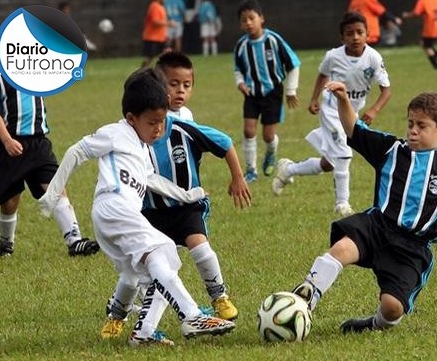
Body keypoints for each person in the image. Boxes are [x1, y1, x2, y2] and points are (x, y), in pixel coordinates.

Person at [291, 81, 437, 334]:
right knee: (340, 249)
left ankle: (374, 325)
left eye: (422, 126)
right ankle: (305, 298)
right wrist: (343, 100)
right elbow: (354, 130)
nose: (413, 131)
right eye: (410, 124)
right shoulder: (390, 149)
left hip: (412, 247)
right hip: (377, 227)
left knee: (393, 307)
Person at [38, 68, 236, 346]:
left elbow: (152, 180)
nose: (158, 129)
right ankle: (191, 316)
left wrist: (188, 195)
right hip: (114, 207)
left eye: (163, 121)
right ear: (131, 118)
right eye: (152, 122)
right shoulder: (115, 133)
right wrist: (52, 194)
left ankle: (142, 334)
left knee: (141, 273)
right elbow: (76, 152)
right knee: (165, 251)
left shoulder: (142, 148)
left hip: (111, 217)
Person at [106, 52, 251, 332]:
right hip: (148, 211)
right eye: (173, 84)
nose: (180, 91)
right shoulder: (132, 130)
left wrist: (237, 177)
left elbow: (224, 142)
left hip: (186, 207)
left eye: (186, 85)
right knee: (136, 272)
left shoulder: (185, 125)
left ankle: (219, 296)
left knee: (201, 247)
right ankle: (117, 316)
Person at [272, 11, 391, 217]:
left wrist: (373, 110)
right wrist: (314, 99)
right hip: (332, 110)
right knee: (344, 153)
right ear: (342, 37)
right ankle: (342, 204)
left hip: (352, 113)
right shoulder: (333, 56)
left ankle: (289, 170)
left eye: (359, 32)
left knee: (329, 163)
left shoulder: (373, 58)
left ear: (367, 34)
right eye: (349, 33)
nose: (355, 37)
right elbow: (322, 75)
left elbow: (386, 90)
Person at [0, 69, 99, 258]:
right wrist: (6, 140)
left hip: (39, 144)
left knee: (56, 186)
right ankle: (6, 245)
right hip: (10, 145)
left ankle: (74, 240)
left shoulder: (36, 70)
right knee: (9, 200)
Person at [234, 0, 301, 183]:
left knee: (268, 135)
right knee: (248, 131)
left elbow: (293, 64)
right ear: (240, 24)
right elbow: (238, 69)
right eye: (243, 20)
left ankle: (271, 153)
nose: (248, 23)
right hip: (252, 94)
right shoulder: (241, 46)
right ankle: (251, 170)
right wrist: (240, 83)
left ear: (261, 18)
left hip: (273, 93)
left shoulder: (273, 40)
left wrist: (291, 90)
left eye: (251, 18)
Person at [402, 0, 437, 69]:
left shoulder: (422, 1)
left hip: (431, 29)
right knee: (427, 45)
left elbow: (416, 13)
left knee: (426, 45)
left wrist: (407, 15)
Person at [141, 0, 168, 68]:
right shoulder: (154, 6)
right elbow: (155, 21)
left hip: (160, 37)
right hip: (152, 37)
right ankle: (142, 72)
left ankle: (161, 72)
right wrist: (168, 24)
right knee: (149, 57)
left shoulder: (160, 6)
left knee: (165, 55)